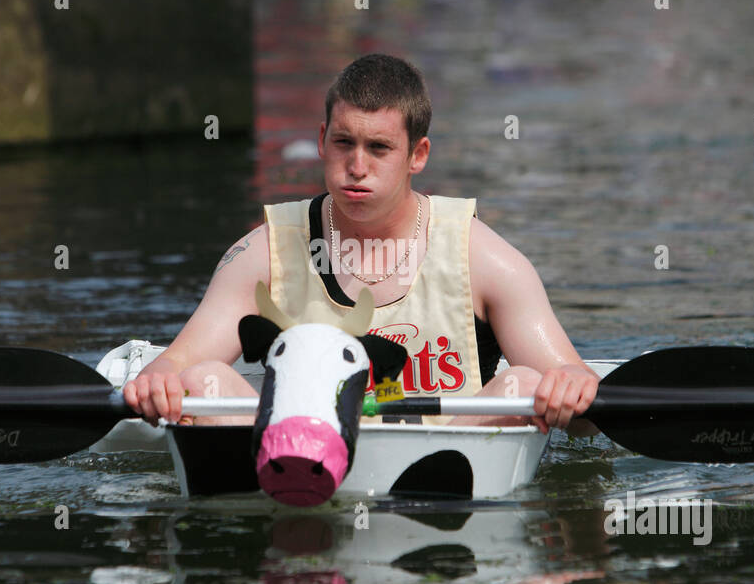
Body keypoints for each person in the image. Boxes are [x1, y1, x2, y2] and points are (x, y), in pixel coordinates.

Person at [123, 54, 600, 437]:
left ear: (418, 155)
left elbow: (578, 398)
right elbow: (177, 362)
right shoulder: (261, 253)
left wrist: (572, 390)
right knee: (201, 381)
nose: (356, 166)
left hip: (443, 466)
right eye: (343, 142)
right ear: (321, 141)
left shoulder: (487, 259)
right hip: (296, 454)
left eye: (378, 148)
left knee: (526, 383)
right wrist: (161, 379)